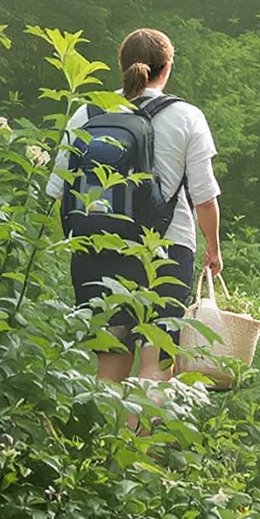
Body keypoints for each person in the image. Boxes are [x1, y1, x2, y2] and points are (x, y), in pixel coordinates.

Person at [51, 27, 221, 386]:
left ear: (122, 65)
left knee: (110, 364)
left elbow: (59, 190)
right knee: (157, 363)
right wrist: (213, 249)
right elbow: (204, 197)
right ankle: (144, 426)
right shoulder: (186, 116)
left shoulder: (86, 114)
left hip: (97, 250)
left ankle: (105, 425)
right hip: (165, 251)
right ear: (167, 67)